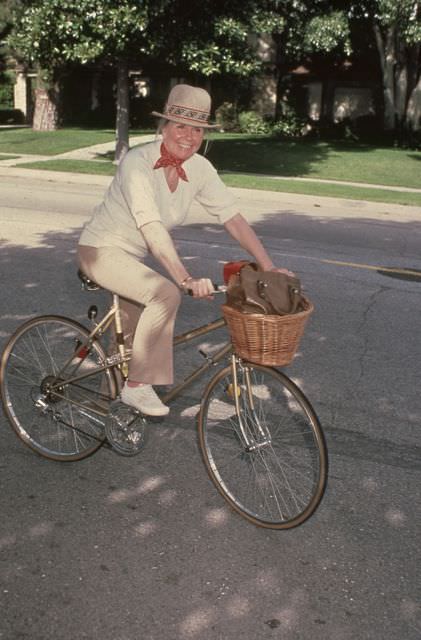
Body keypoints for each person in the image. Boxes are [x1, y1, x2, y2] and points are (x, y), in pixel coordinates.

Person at [78, 84, 289, 417]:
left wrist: (269, 266)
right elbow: (151, 228)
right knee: (165, 295)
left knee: (134, 346)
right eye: (181, 126)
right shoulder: (138, 163)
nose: (189, 136)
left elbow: (232, 219)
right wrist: (184, 278)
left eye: (198, 129)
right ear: (164, 127)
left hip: (132, 259)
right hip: (101, 250)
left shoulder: (200, 168)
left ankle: (110, 412)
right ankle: (136, 388)